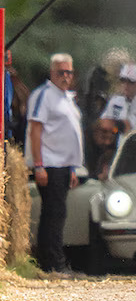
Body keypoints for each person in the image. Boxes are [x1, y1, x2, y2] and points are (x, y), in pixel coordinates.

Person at [24, 53, 84, 275]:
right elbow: (36, 130)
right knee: (54, 213)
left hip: (63, 165)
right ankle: (53, 263)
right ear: (52, 73)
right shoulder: (43, 95)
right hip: (49, 163)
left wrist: (71, 168)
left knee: (56, 213)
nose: (66, 76)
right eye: (61, 72)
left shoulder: (67, 97)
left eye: (69, 72)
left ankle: (50, 262)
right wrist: (38, 165)